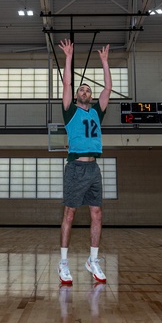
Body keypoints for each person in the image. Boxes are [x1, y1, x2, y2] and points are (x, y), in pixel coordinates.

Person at [57, 38, 112, 285]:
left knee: (97, 213)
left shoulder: (97, 112)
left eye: (88, 89)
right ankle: (64, 263)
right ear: (77, 95)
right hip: (75, 167)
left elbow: (108, 89)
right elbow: (67, 82)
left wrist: (105, 62)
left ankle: (93, 259)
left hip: (93, 168)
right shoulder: (70, 111)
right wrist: (68, 57)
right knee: (69, 214)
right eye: (82, 89)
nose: (85, 91)